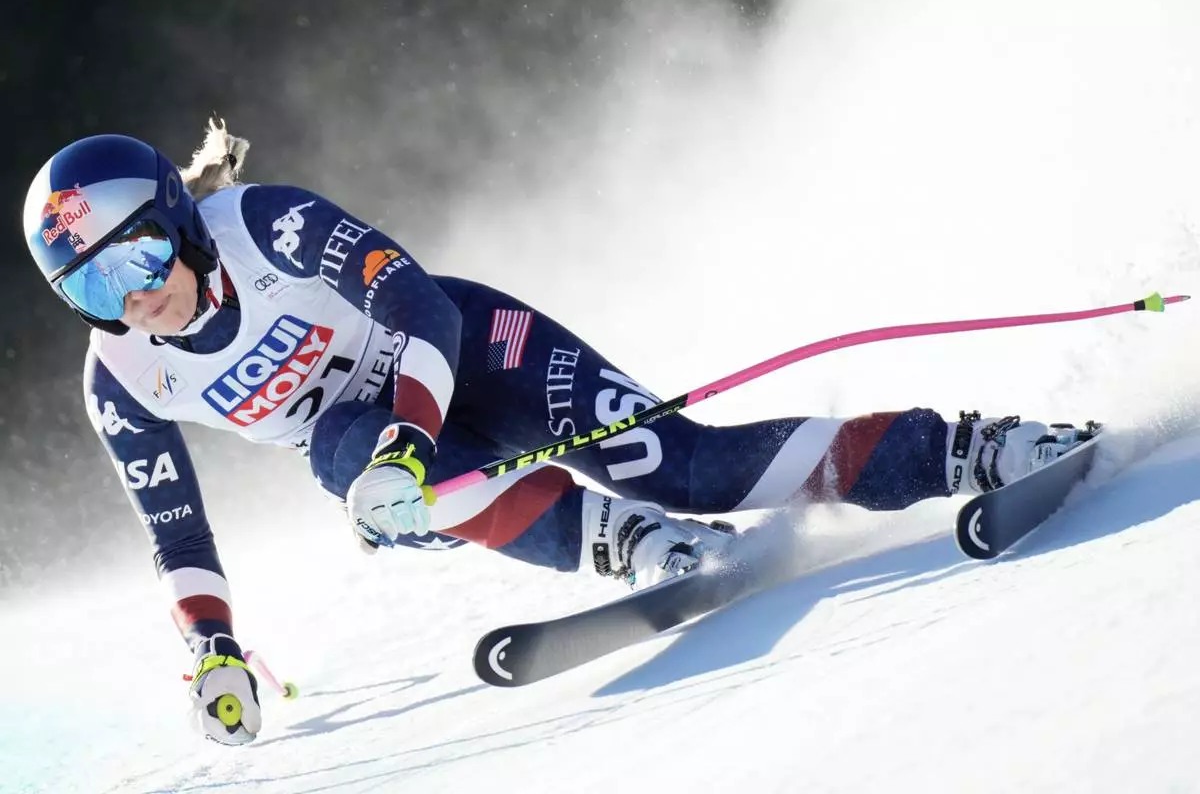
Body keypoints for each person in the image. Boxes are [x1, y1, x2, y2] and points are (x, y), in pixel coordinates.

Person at [21, 120, 1083, 745]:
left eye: (140, 257)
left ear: (179, 217)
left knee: (693, 464)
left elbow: (421, 310)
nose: (135, 298)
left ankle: (976, 446)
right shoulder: (124, 376)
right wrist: (212, 646)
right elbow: (177, 533)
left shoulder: (263, 222)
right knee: (346, 462)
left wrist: (410, 438)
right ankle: (631, 545)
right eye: (95, 288)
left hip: (469, 345)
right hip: (376, 438)